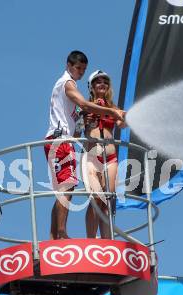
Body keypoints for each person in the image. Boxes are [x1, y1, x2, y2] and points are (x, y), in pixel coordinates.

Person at [44, 52, 125, 240]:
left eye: (83, 69)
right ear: (69, 65)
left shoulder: (110, 106)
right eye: (78, 68)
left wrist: (120, 114)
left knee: (104, 198)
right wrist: (94, 115)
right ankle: (62, 235)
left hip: (102, 155)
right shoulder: (69, 86)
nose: (80, 72)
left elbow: (121, 122)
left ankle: (103, 240)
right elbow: (81, 119)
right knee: (74, 190)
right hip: (67, 143)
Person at [83, 70, 126, 239]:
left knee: (108, 199)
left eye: (105, 82)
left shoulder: (113, 108)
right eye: (98, 81)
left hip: (110, 158)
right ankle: (91, 240)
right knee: (96, 198)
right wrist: (87, 119)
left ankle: (107, 241)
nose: (102, 84)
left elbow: (121, 124)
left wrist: (126, 117)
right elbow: (80, 126)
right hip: (92, 156)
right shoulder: (85, 105)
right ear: (92, 86)